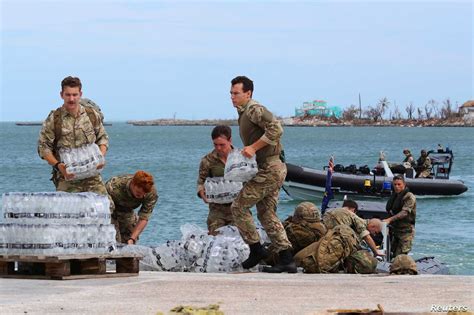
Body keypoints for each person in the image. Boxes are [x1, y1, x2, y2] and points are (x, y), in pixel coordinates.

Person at [229, 75, 296, 273]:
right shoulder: (244, 112)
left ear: (248, 93)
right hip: (271, 168)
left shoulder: (253, 109)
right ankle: (287, 259)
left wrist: (253, 147)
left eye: (236, 93)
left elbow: (277, 128)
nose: (232, 97)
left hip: (270, 168)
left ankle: (256, 249)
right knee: (266, 213)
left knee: (239, 207)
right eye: (231, 93)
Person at [37, 76, 110, 195]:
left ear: (80, 94)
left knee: (106, 207)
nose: (71, 99)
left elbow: (103, 137)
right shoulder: (54, 119)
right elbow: (43, 147)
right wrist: (58, 165)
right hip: (67, 176)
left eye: (75, 95)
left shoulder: (91, 115)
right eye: (68, 95)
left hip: (92, 176)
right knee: (67, 210)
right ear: (62, 95)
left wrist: (101, 157)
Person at [197, 125, 235, 235]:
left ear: (230, 140)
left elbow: (250, 180)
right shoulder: (207, 160)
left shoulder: (241, 157)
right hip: (217, 209)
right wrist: (201, 193)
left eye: (222, 145)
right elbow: (201, 181)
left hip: (238, 208)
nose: (218, 148)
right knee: (216, 241)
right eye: (215, 144)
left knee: (239, 241)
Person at [106, 171, 158, 244]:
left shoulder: (150, 193)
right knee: (114, 241)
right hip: (109, 211)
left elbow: (144, 218)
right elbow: (101, 208)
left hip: (127, 211)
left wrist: (132, 239)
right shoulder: (114, 186)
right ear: (133, 184)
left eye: (144, 194)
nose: (142, 196)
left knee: (128, 243)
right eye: (139, 193)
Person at [384, 175, 416, 258]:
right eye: (395, 184)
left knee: (400, 256)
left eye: (399, 184)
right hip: (395, 231)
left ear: (404, 184)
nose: (397, 187)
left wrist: (389, 219)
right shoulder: (395, 196)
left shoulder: (409, 196)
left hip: (406, 232)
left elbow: (404, 213)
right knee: (392, 254)